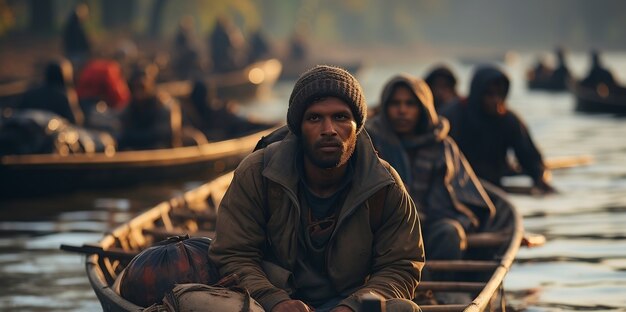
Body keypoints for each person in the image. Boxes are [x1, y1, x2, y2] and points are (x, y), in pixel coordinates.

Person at [209, 65, 424, 312]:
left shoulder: (384, 184)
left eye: (341, 117)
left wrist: (351, 307)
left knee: (404, 309)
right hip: (271, 299)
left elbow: (401, 265)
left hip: (350, 298)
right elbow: (233, 254)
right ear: (298, 127)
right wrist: (275, 301)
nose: (329, 130)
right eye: (314, 118)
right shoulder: (258, 172)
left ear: (358, 126)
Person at [365, 75, 500, 290]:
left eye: (410, 104)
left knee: (451, 232)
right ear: (385, 106)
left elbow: (458, 197)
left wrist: (418, 217)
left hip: (429, 225)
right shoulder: (369, 142)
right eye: (395, 104)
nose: (402, 111)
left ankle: (436, 290)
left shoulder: (441, 145)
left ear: (423, 108)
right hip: (383, 229)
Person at [442, 65, 555, 194]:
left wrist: (540, 178)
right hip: (457, 182)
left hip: (495, 182)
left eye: (499, 94)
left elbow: (529, 157)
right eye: (489, 94)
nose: (495, 100)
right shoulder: (454, 115)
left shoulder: (508, 120)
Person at [117, 65, 183, 150]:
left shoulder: (163, 106)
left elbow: (163, 135)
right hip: (136, 150)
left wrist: (132, 137)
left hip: (160, 149)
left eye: (141, 87)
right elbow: (122, 133)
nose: (138, 93)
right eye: (135, 87)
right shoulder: (130, 108)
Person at [19, 58, 84, 126]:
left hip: (28, 132)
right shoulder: (64, 96)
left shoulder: (31, 93)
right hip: (53, 135)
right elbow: (75, 121)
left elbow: (20, 113)